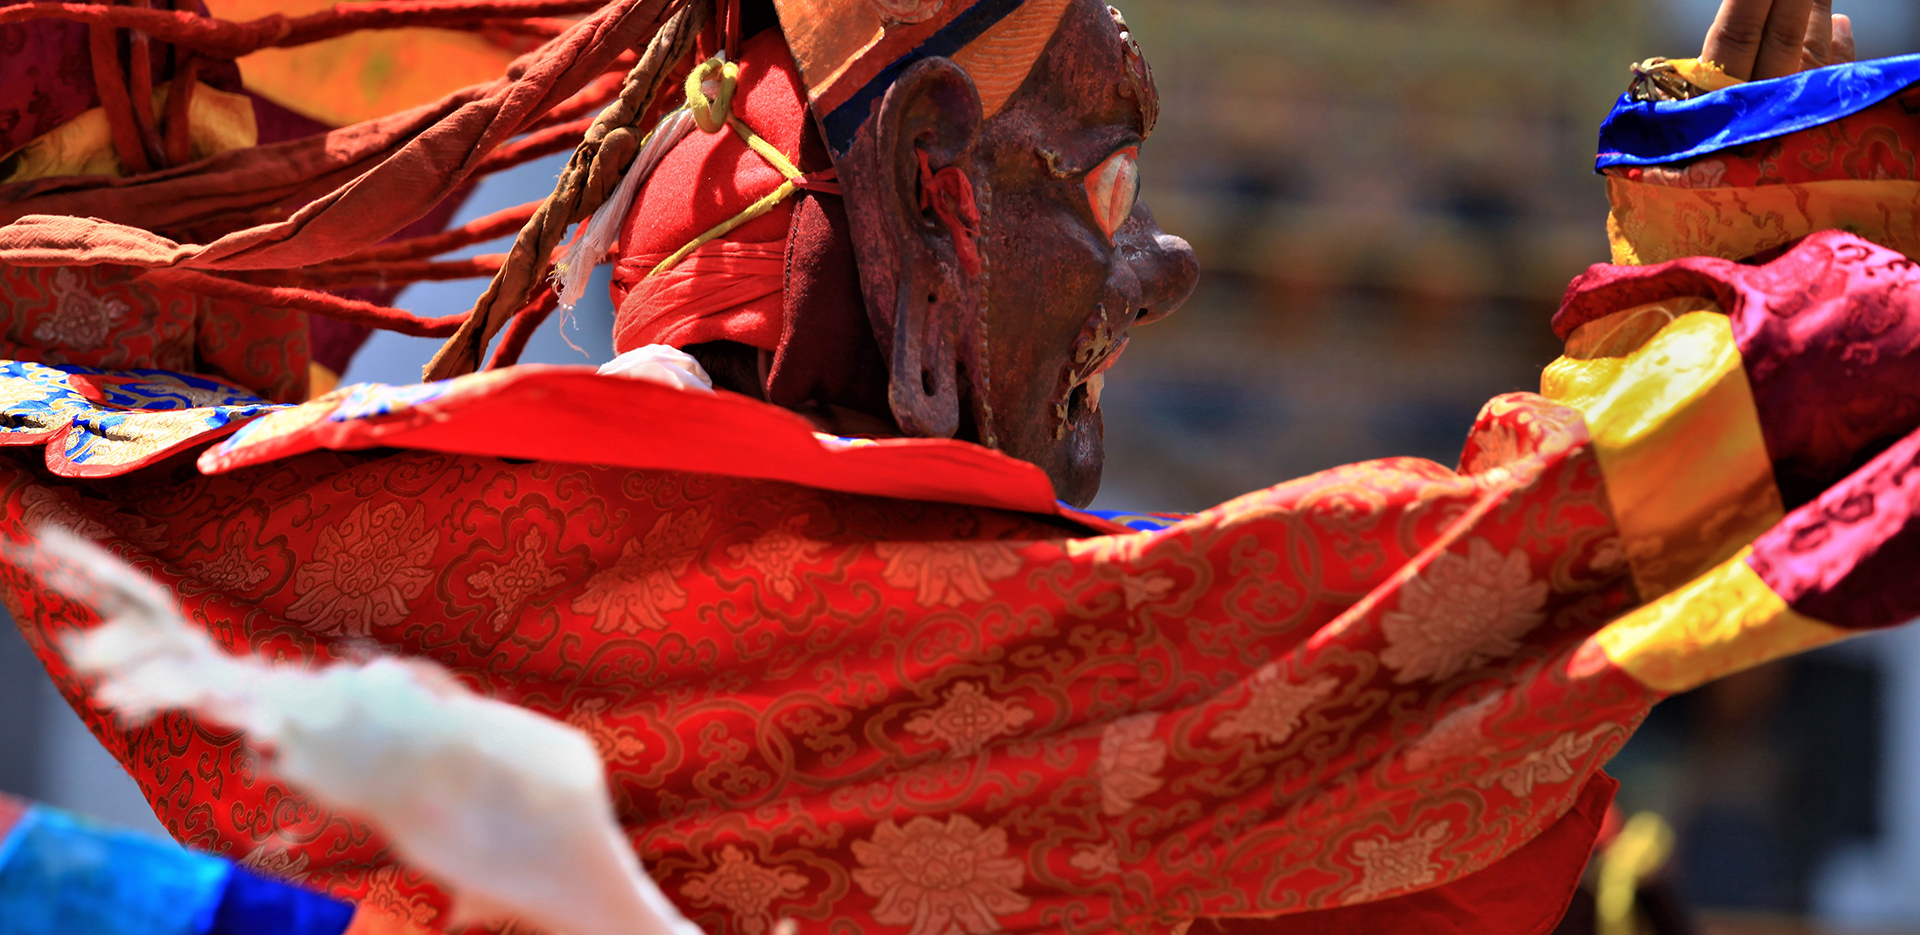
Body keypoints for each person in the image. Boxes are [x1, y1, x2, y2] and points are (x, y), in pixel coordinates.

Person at [0, 0, 1914, 933]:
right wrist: (1755, 255)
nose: (1155, 265)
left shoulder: (456, 572)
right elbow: (1448, 604)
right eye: (1105, 180)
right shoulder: (814, 617)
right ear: (933, 190)